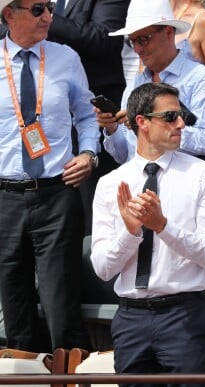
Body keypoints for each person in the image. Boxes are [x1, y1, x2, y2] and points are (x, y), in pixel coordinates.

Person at [91, 82, 205, 385]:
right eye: (171, 117)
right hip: (131, 318)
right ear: (143, 123)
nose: (181, 124)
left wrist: (162, 226)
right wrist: (131, 232)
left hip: (185, 314)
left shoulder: (202, 174)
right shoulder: (111, 183)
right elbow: (102, 268)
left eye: (183, 117)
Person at [0, 0, 99, 351]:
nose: (49, 17)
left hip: (57, 192)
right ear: (9, 14)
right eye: (38, 9)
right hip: (5, 198)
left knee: (62, 307)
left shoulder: (66, 57)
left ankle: (70, 379)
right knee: (15, 307)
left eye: (51, 8)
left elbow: (87, 116)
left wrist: (89, 153)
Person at [98, 0, 205, 164]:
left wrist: (156, 127)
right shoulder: (134, 86)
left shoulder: (200, 78)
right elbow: (125, 156)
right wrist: (112, 128)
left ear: (168, 33)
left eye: (143, 39)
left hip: (183, 182)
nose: (137, 48)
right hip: (139, 183)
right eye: (132, 41)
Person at [46, 0, 131, 235]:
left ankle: (95, 267)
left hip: (96, 113)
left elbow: (104, 38)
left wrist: (41, 16)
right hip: (46, 113)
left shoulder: (43, 12)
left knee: (93, 213)